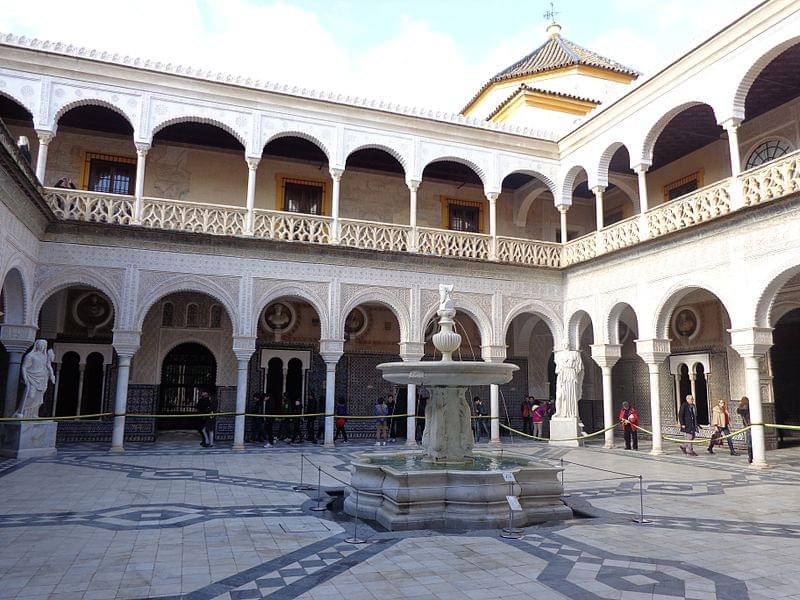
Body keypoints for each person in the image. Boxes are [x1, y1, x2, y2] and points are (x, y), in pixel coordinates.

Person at [737, 396, 753, 464]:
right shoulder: (744, 408)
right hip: (749, 425)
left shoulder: (746, 408)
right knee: (750, 441)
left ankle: (751, 457)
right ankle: (751, 456)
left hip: (749, 425)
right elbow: (739, 411)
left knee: (750, 441)